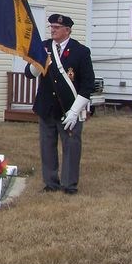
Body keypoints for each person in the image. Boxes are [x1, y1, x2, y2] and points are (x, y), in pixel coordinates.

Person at [24, 13, 95, 194]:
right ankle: (50, 183)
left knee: (71, 147)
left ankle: (69, 185)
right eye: (51, 27)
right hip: (47, 106)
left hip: (70, 108)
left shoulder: (81, 51)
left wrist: (75, 112)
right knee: (47, 147)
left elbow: (87, 85)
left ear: (67, 30)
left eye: (56, 27)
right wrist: (37, 62)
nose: (53, 30)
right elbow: (29, 74)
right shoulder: (44, 47)